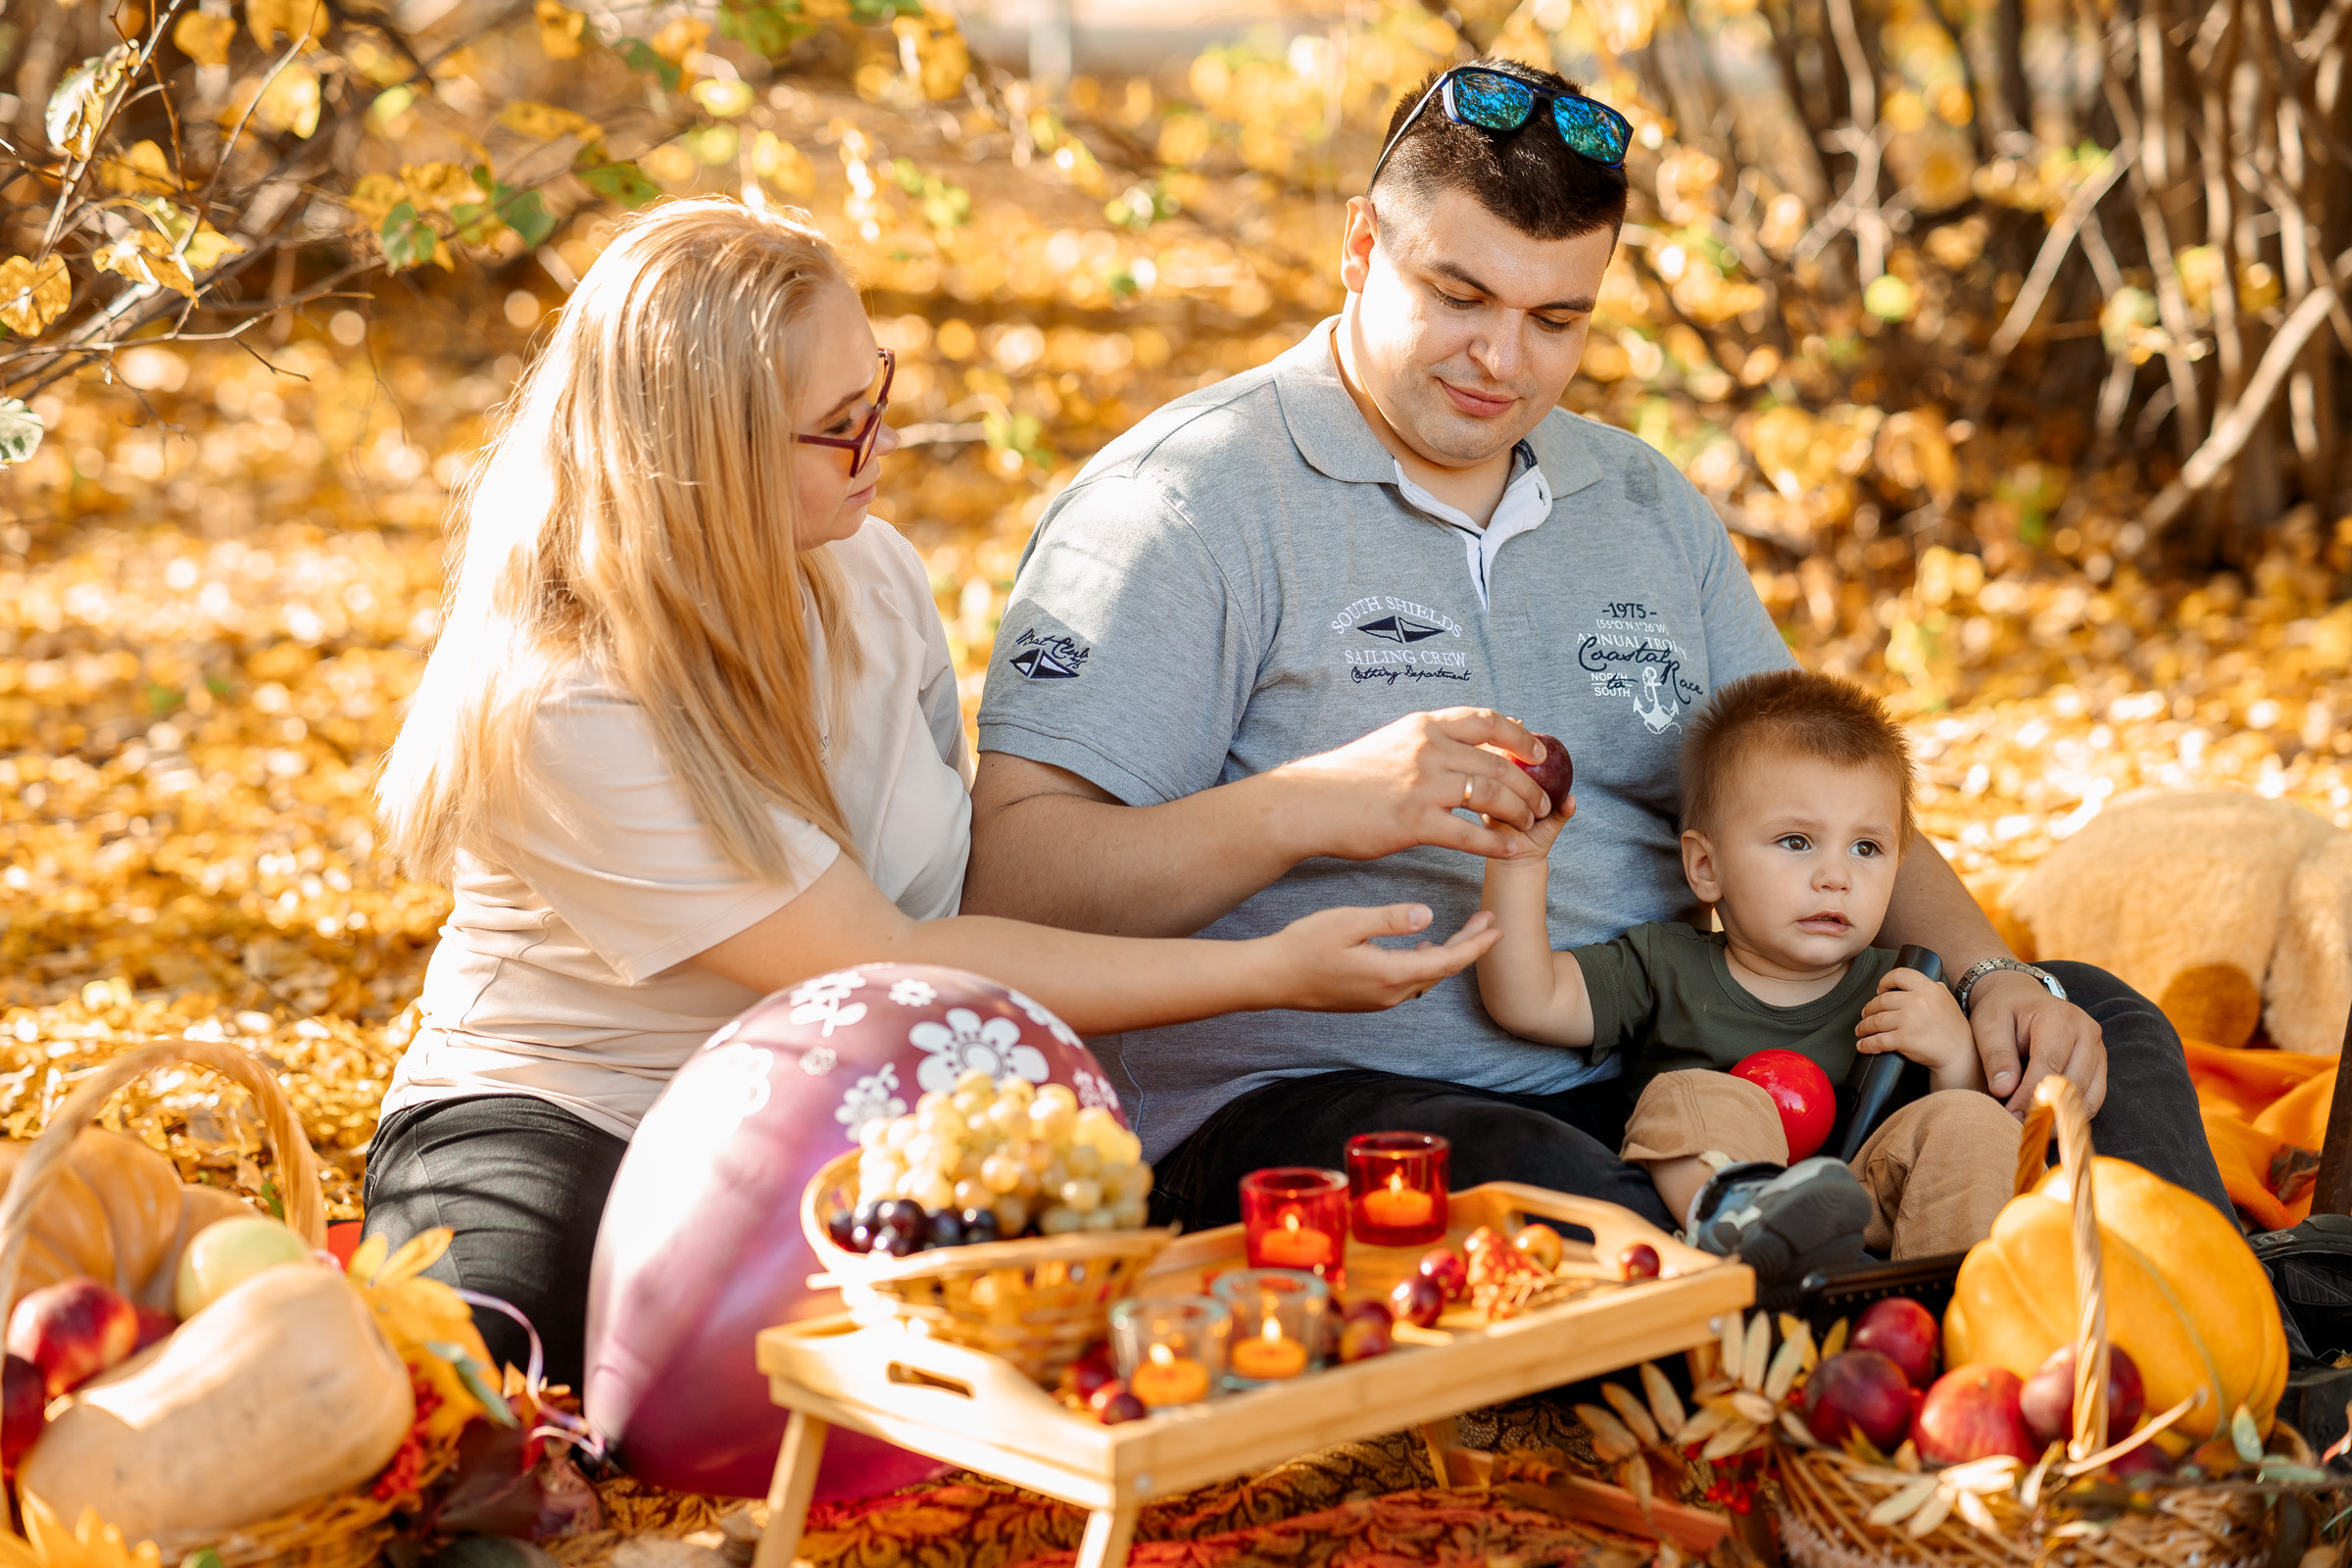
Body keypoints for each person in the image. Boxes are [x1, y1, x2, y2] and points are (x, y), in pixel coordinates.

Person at [965, 56, 2226, 1237]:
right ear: (1360, 248)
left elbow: (1821, 791)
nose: (1504, 362)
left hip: (1702, 1045)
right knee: (1574, 1203)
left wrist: (1993, 974)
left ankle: (2214, 1378)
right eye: (1458, 298)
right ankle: (1874, 1373)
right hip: (1336, 1099)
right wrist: (1309, 807)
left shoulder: (1638, 499)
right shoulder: (1183, 503)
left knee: (2093, 1022)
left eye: (1557, 319)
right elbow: (1015, 889)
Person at [364, 199, 1499, 1386]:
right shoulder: (575, 697)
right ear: (709, 458)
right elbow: (891, 955)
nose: (883, 449)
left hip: (830, 1106)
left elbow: (952, 908)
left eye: (880, 396)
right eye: (839, 428)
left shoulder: (869, 576)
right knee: (487, 1383)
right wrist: (1275, 971)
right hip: (573, 1104)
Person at [1478, 670, 2020, 1297]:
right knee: (1698, 1093)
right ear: (1706, 867)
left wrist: (1953, 1054)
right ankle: (1743, 1217)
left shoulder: (1901, 986)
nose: (1835, 876)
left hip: (1871, 1216)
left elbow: (1961, 1131)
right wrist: (1517, 864)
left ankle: (1968, 1304)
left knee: (1966, 1119)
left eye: (1867, 849)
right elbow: (1526, 999)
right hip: (1730, 1218)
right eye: (1797, 841)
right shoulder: (1665, 967)